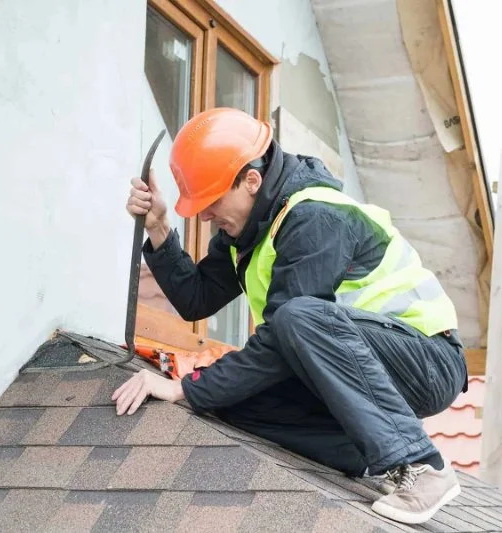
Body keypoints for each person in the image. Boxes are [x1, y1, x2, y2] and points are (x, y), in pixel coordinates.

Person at [113, 107, 468, 525]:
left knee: (294, 319)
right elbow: (196, 298)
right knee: (233, 403)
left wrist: (186, 388)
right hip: (356, 369)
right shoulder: (245, 231)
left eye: (210, 202)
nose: (204, 215)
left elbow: (288, 332)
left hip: (425, 361)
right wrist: (158, 227)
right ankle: (359, 448)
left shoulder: (315, 217)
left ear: (251, 180)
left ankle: (421, 466)